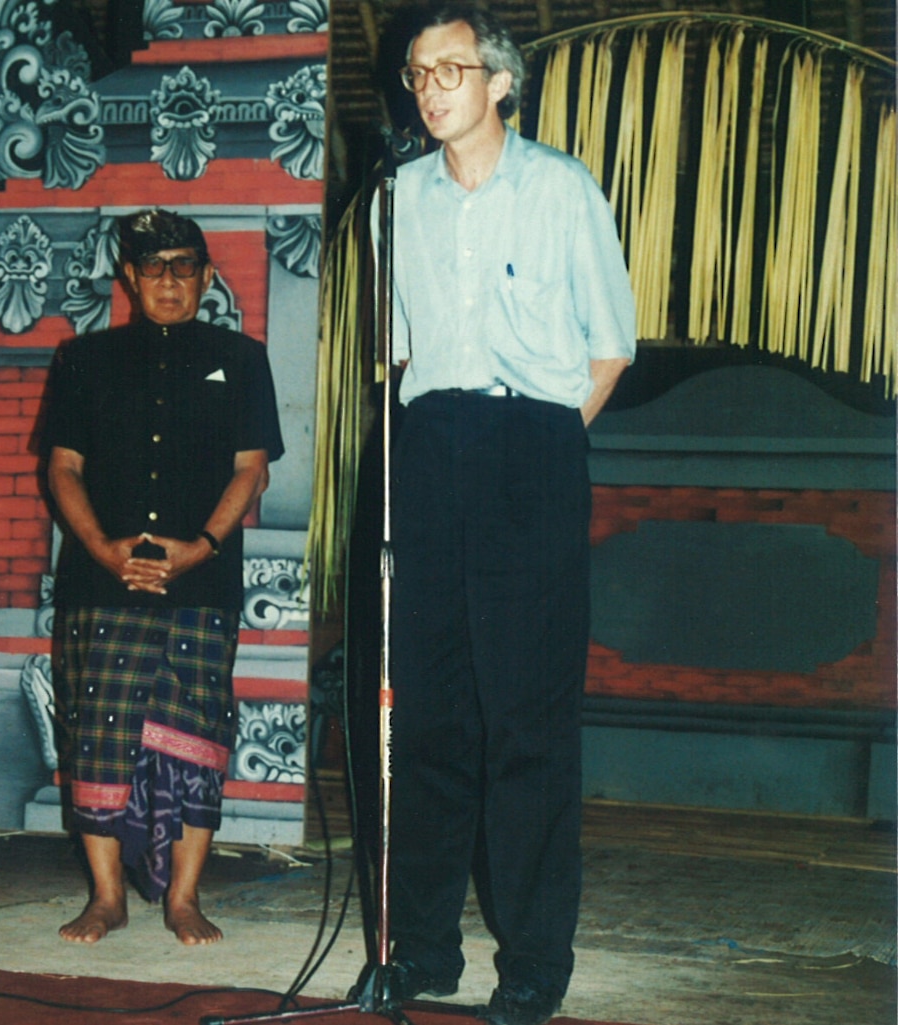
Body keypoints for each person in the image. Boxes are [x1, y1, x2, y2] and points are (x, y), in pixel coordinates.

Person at [363, 5, 637, 1023]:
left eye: (450, 69)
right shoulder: (397, 196)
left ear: (499, 83)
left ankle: (531, 962)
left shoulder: (561, 190)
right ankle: (423, 948)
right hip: (429, 449)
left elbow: (609, 346)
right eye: (416, 72)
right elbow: (393, 350)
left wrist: (544, 444)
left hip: (532, 447)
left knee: (524, 721)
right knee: (430, 716)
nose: (429, 87)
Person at [42, 208, 284, 945]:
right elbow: (63, 468)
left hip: (199, 582)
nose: (170, 279)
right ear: (129, 278)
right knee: (97, 737)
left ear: (207, 276)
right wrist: (103, 550)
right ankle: (107, 898)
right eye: (155, 266)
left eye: (184, 265)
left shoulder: (241, 359)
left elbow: (253, 469)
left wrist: (202, 546)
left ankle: (184, 897)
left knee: (196, 734)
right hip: (99, 583)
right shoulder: (82, 359)